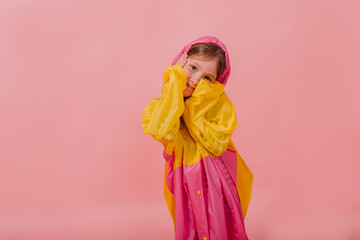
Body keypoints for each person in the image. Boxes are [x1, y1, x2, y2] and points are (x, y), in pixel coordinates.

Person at [142, 36, 253, 240]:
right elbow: (161, 131)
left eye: (207, 78)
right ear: (180, 62)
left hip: (218, 185)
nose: (195, 80)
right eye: (193, 68)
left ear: (216, 84)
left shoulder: (220, 106)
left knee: (221, 227)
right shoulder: (163, 106)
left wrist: (193, 109)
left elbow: (217, 144)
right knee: (191, 226)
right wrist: (174, 85)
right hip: (185, 182)